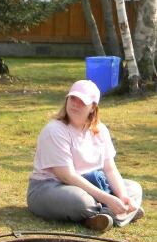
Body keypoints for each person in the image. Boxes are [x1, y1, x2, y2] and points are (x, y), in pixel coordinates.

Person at [27, 79, 144, 232]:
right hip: (50, 188)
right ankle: (120, 214)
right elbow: (66, 176)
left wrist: (123, 196)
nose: (75, 104)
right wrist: (107, 198)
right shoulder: (54, 130)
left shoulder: (100, 130)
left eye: (82, 101)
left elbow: (109, 169)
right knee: (83, 202)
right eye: (72, 98)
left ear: (93, 107)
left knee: (133, 188)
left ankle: (103, 217)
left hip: (91, 184)